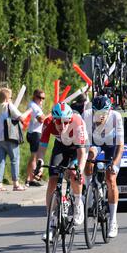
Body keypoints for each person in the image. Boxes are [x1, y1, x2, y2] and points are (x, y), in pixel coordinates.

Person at [35, 102, 87, 242]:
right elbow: (42, 147)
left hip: (77, 148)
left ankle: (77, 203)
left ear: (70, 119)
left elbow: (82, 153)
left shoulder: (77, 121)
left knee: (74, 174)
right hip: (61, 147)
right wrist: (39, 162)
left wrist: (79, 170)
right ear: (53, 119)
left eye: (65, 122)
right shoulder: (48, 123)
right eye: (58, 122)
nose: (62, 126)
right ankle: (51, 222)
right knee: (52, 180)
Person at [83, 95, 124, 238]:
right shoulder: (87, 115)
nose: (99, 117)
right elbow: (86, 142)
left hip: (112, 146)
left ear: (109, 111)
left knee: (111, 179)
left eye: (103, 114)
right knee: (89, 158)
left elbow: (120, 145)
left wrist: (114, 163)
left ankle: (113, 220)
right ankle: (90, 191)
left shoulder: (116, 117)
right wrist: (89, 155)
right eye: (97, 113)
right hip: (96, 143)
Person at [0, 87, 31, 192]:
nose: (11, 99)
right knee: (14, 160)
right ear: (6, 99)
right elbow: (21, 117)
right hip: (9, 137)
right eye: (10, 97)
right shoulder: (9, 106)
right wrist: (28, 111)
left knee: (0, 161)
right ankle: (16, 184)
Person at [25, 89, 46, 187]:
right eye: (39, 97)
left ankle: (28, 178)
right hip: (35, 133)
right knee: (34, 157)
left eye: (43, 98)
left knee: (34, 156)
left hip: (33, 132)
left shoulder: (34, 105)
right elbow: (41, 119)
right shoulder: (33, 106)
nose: (41, 100)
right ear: (34, 96)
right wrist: (48, 116)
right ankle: (31, 179)